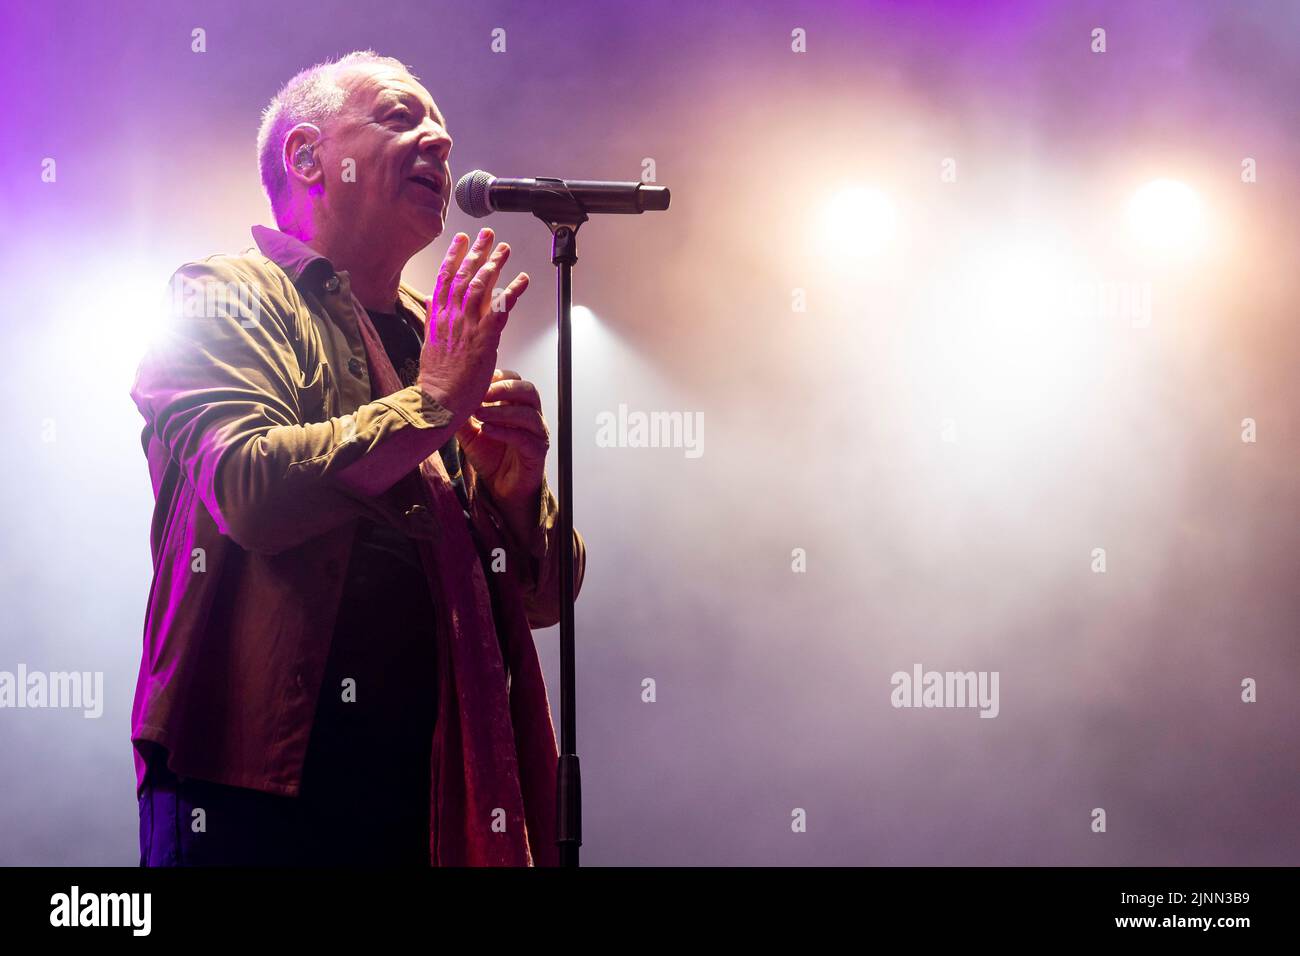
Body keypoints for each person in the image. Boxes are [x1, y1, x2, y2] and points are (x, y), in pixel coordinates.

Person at [130, 50, 585, 866]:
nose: (440, 141)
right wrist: (432, 404)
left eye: (441, 127)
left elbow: (547, 598)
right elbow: (249, 488)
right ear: (309, 157)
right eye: (401, 117)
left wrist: (519, 495)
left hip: (433, 787)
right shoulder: (225, 291)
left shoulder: (438, 335)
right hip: (259, 786)